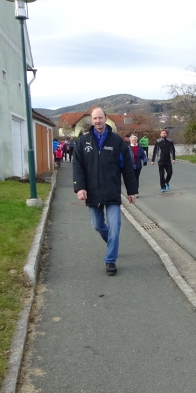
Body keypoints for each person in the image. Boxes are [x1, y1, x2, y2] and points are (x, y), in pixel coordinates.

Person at [73, 108, 137, 276]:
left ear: (106, 118)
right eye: (95, 118)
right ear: (91, 120)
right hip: (92, 192)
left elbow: (127, 168)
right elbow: (78, 166)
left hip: (112, 191)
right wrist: (80, 187)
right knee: (97, 225)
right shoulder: (83, 142)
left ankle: (110, 260)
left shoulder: (117, 142)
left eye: (100, 118)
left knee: (115, 226)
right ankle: (112, 244)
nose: (98, 121)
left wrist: (132, 191)